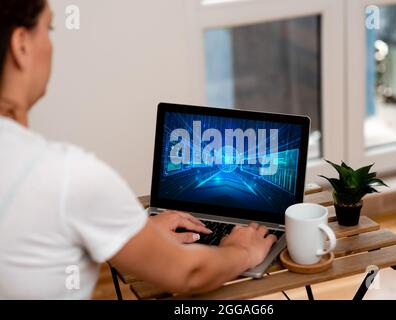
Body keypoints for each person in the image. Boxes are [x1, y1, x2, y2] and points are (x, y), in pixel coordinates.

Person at [0, 0, 276, 299]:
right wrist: (241, 252)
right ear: (21, 45)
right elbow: (189, 273)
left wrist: (137, 231)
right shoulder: (67, 175)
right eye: (48, 28)